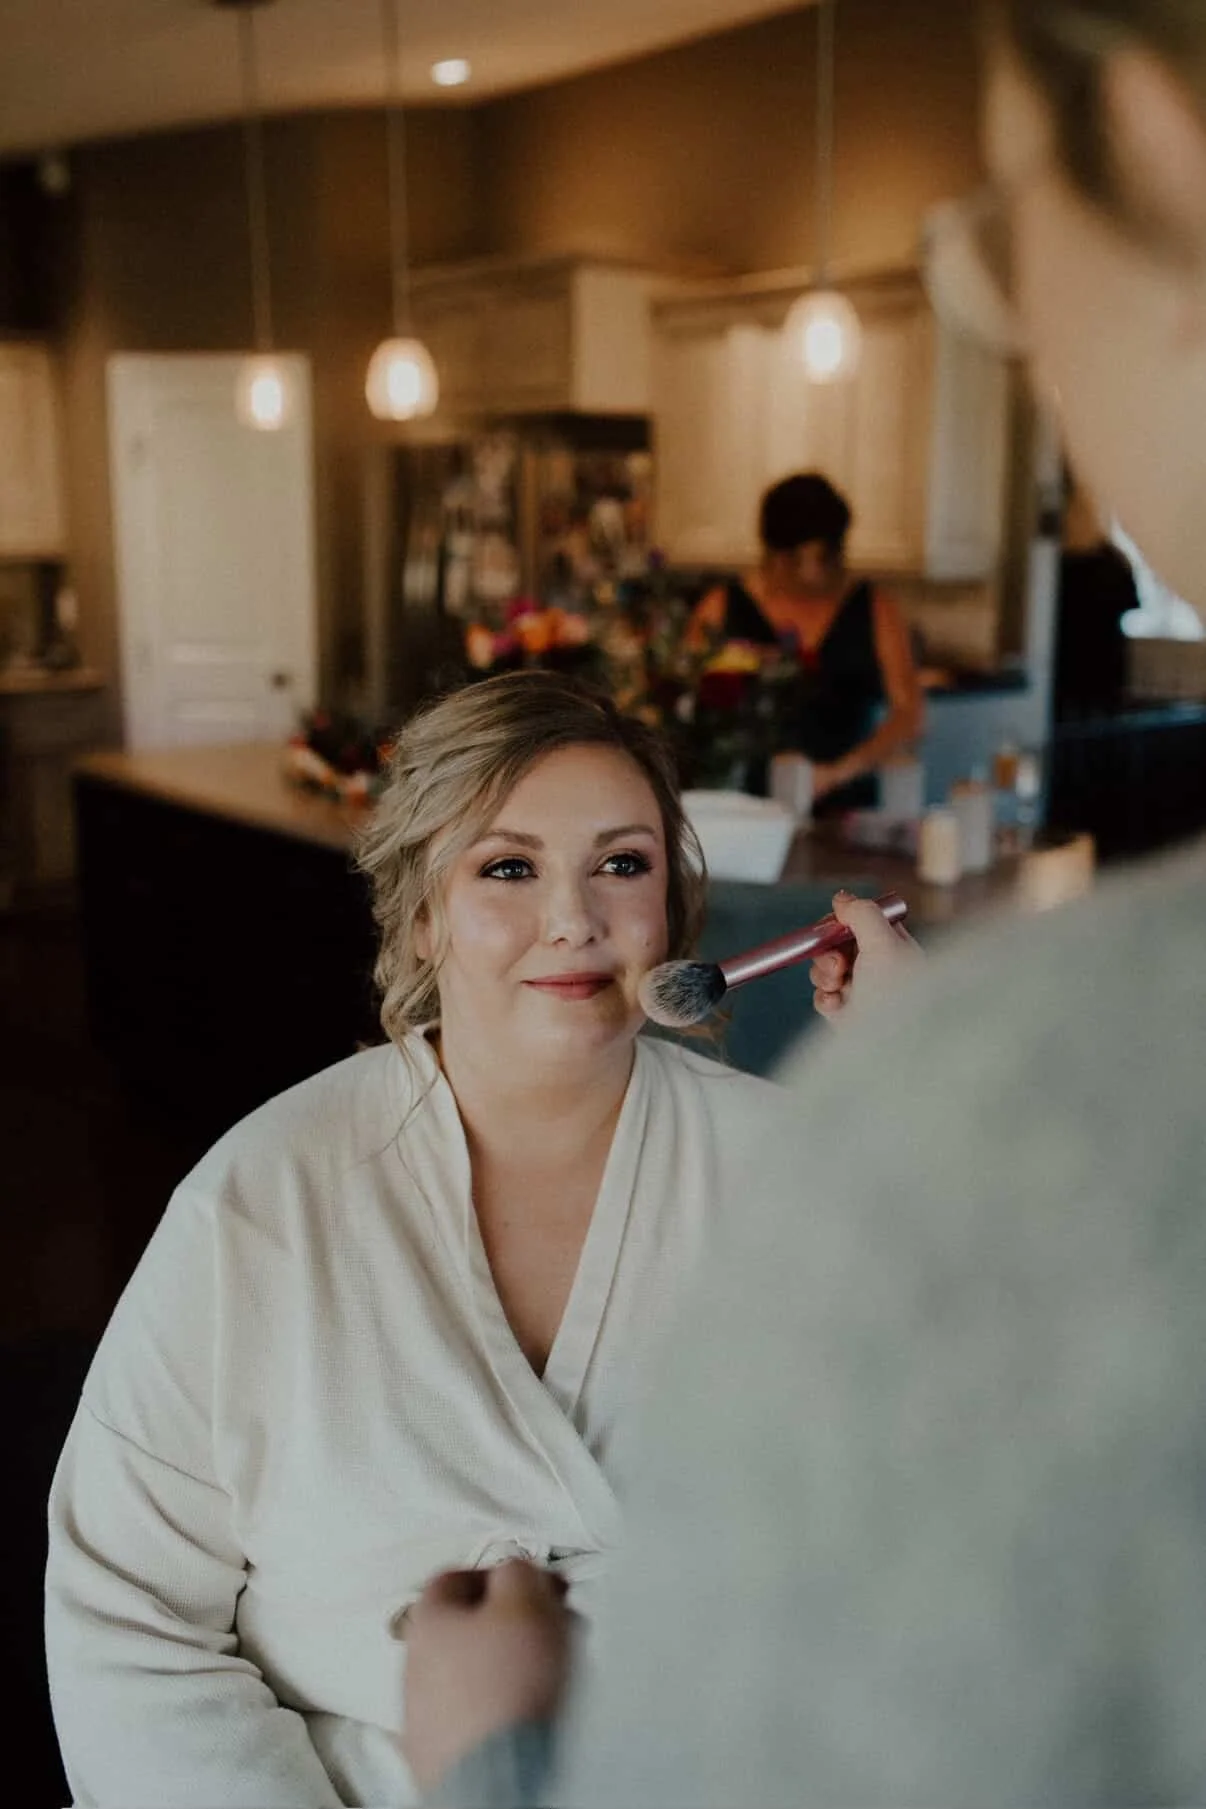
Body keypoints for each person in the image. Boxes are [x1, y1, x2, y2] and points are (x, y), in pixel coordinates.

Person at [405, 2, 1206, 1802]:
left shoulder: (993, 1124)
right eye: (513, 868)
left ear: (1153, 138)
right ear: (427, 917)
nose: (1000, 314)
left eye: (996, 234)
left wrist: (499, 1756)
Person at [43, 671, 796, 1808]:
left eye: (623, 864)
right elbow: (126, 1619)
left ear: (673, 906)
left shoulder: (806, 1174)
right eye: (508, 867)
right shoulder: (262, 1200)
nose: (574, 919)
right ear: (424, 909)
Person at [687, 471, 925, 811]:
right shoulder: (723, 608)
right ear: (772, 552)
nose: (810, 574)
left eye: (825, 559)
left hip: (845, 807)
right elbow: (686, 705)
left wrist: (836, 773)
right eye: (795, 561)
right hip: (745, 806)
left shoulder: (874, 608)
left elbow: (910, 716)